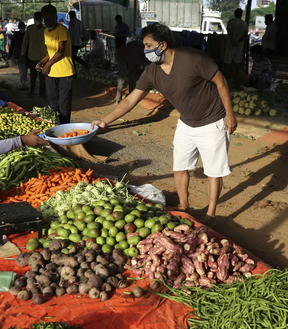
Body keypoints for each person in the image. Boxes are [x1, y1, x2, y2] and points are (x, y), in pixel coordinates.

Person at [90, 23, 237, 227]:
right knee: (180, 165)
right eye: (144, 46)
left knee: (213, 170)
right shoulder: (152, 72)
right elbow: (130, 101)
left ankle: (211, 213)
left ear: (163, 45)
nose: (145, 50)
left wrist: (229, 113)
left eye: (149, 45)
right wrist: (104, 120)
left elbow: (221, 82)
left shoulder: (193, 59)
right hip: (187, 122)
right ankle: (184, 205)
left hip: (212, 120)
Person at [37, 4, 75, 124]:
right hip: (52, 74)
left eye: (50, 19)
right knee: (53, 104)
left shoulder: (62, 29)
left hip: (65, 73)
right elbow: (51, 52)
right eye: (45, 20)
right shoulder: (46, 32)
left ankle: (65, 129)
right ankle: (56, 129)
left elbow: (60, 52)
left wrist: (47, 66)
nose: (48, 22)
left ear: (56, 17)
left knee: (64, 106)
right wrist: (42, 62)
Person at [21, 12, 48, 99]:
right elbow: (25, 42)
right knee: (32, 76)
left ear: (41, 19)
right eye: (35, 19)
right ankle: (31, 91)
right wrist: (22, 54)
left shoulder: (46, 30)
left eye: (38, 19)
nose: (36, 21)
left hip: (42, 57)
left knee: (42, 77)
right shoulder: (30, 28)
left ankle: (42, 94)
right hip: (31, 56)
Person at [115, 39, 148, 104]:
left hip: (129, 56)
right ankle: (118, 98)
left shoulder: (141, 48)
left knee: (132, 75)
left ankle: (131, 94)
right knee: (122, 77)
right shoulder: (142, 51)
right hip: (122, 55)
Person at [224, 8, 249, 77]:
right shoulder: (244, 24)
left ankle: (227, 76)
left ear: (234, 14)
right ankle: (238, 76)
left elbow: (229, 32)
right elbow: (245, 35)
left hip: (230, 44)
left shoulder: (231, 21)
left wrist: (233, 40)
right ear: (241, 15)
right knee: (238, 61)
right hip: (240, 44)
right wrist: (238, 42)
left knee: (227, 61)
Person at [9, 25, 28, 90]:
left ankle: (23, 83)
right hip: (19, 54)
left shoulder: (26, 34)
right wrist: (10, 54)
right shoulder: (17, 35)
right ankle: (22, 83)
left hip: (25, 54)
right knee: (22, 70)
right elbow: (12, 45)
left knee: (24, 70)